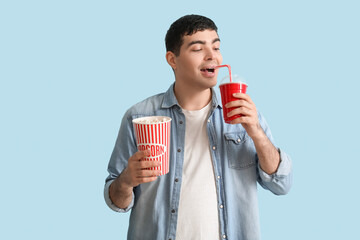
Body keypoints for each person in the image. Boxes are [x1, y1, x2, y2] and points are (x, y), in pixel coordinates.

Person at [104, 14, 292, 240]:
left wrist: (256, 132)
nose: (212, 56)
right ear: (172, 59)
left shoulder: (244, 113)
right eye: (197, 49)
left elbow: (281, 184)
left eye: (216, 47)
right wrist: (125, 181)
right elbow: (115, 201)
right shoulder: (139, 116)